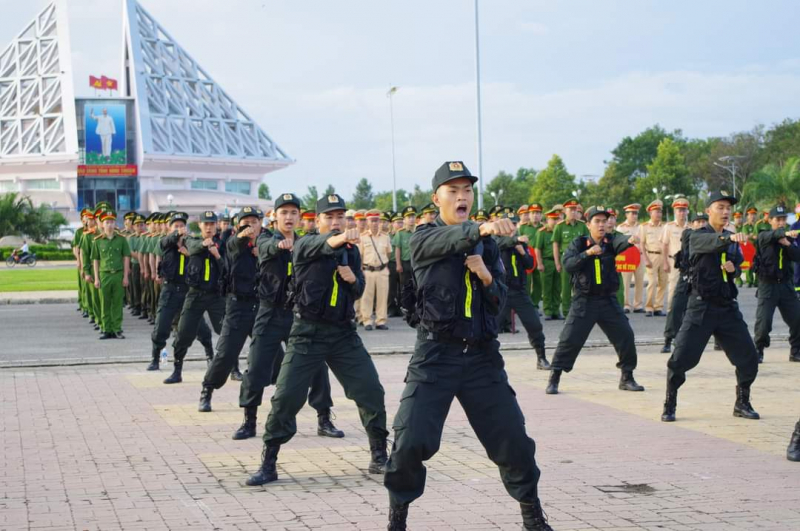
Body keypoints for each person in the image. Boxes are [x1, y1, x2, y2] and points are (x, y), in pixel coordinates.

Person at [383, 161, 551, 531]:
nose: (462, 197)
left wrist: (487, 276)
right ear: (436, 198)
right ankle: (398, 518)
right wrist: (481, 228)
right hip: (435, 355)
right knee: (409, 442)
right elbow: (445, 241)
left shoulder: (488, 246)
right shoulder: (423, 237)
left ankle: (533, 517)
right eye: (453, 191)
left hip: (481, 358)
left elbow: (500, 298)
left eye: (468, 191)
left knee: (514, 443)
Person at [245, 193, 389, 487]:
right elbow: (317, 246)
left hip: (343, 334)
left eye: (340, 217)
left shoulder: (352, 251)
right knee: (286, 398)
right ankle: (269, 462)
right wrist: (337, 240)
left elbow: (359, 290)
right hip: (307, 333)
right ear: (317, 220)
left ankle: (379, 455)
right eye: (329, 218)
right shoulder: (306, 244)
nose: (335, 223)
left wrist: (353, 280)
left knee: (370, 390)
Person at [234, 193, 342, 441]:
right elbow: (265, 248)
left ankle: (324, 418)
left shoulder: (307, 243)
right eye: (284, 212)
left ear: (300, 217)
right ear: (274, 216)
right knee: (257, 365)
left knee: (316, 366)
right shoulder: (265, 239)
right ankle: (249, 420)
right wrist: (279, 245)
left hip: (300, 315)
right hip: (270, 313)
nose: (289, 217)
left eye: (294, 213)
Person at [662, 191, 760, 423]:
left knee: (748, 357)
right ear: (708, 211)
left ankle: (742, 402)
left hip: (726, 306)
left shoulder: (731, 237)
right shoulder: (695, 235)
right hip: (700, 307)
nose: (725, 212)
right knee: (681, 358)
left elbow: (736, 266)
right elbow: (702, 245)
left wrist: (732, 269)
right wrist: (727, 240)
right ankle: (670, 402)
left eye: (728, 208)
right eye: (720, 207)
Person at [545, 206, 644, 395]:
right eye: (597, 221)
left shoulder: (611, 240)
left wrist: (629, 240)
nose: (602, 225)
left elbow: (621, 242)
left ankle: (627, 377)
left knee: (626, 336)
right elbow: (568, 265)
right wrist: (588, 254)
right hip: (584, 301)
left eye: (604, 221)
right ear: (588, 224)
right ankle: (554, 377)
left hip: (608, 300)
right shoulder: (579, 243)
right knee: (569, 339)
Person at [196, 207, 262, 411]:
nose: (250, 225)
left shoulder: (267, 241)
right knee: (226, 354)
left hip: (261, 306)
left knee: (273, 354)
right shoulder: (230, 242)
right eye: (245, 221)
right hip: (237, 306)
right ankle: (208, 389)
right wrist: (243, 236)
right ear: (237, 225)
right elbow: (233, 246)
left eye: (254, 221)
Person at [165, 211, 227, 385]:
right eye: (205, 224)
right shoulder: (192, 240)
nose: (208, 227)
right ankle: (177, 370)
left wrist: (217, 255)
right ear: (199, 226)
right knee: (183, 332)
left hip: (216, 296)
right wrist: (204, 245)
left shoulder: (223, 244)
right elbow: (192, 248)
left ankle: (232, 367)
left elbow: (228, 269)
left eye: (212, 224)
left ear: (216, 226)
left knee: (226, 332)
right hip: (195, 294)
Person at [147, 212, 215, 372]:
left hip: (188, 291)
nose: (179, 228)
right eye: (175, 226)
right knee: (161, 327)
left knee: (201, 328)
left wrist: (189, 252)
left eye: (181, 225)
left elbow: (199, 249)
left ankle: (210, 356)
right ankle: (155, 358)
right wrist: (176, 235)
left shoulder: (192, 242)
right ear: (170, 228)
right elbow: (164, 242)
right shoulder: (166, 242)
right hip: (170, 291)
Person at [496, 220, 550, 370]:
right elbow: (501, 243)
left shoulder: (520, 244)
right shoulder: (496, 241)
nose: (511, 229)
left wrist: (522, 251)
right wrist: (514, 240)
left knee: (534, 325)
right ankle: (483, 361)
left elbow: (529, 264)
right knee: (490, 327)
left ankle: (541, 358)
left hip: (519, 292)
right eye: (509, 225)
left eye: (514, 226)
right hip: (501, 293)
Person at [752, 205, 800, 363]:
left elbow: (797, 256)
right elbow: (773, 235)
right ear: (769, 220)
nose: (781, 222)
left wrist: (788, 243)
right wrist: (785, 233)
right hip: (768, 285)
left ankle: (795, 352)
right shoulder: (763, 235)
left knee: (797, 319)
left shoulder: (789, 238)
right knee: (763, 323)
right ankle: (758, 350)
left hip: (786, 285)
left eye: (783, 220)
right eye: (777, 219)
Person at [661, 212, 708, 354]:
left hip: (705, 279)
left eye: (703, 221)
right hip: (687, 276)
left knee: (711, 310)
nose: (700, 224)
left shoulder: (711, 235)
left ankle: (717, 341)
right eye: (697, 222)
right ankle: (669, 339)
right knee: (676, 307)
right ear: (692, 224)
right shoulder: (688, 234)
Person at [91, 211, 131, 339]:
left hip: (118, 274)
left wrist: (125, 276)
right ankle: (106, 329)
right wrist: (96, 278)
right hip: (104, 275)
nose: (109, 225)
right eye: (107, 222)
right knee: (105, 302)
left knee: (117, 303)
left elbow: (126, 258)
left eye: (112, 222)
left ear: (115, 224)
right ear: (102, 225)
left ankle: (117, 329)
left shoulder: (121, 239)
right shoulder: (97, 241)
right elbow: (95, 260)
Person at [552, 199, 588, 317]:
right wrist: (557, 262)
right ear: (565, 211)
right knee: (566, 288)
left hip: (580, 259)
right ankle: (567, 313)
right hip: (566, 260)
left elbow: (588, 241)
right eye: (570, 210)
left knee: (581, 286)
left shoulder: (582, 225)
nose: (573, 212)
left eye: (575, 209)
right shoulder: (560, 226)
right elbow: (556, 245)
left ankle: (580, 311)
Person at [358, 209, 392, 330]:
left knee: (382, 297)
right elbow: (360, 255)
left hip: (382, 270)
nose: (374, 223)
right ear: (367, 222)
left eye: (377, 220)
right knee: (366, 297)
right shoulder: (363, 237)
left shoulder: (385, 237)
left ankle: (380, 321)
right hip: (368, 270)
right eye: (372, 220)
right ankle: (367, 320)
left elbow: (388, 253)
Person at [662, 198, 690, 312]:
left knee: (688, 286)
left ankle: (685, 311)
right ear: (675, 212)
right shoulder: (669, 227)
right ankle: (671, 310)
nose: (682, 213)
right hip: (674, 262)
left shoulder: (691, 227)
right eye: (679, 210)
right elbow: (664, 245)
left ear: (687, 211)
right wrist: (665, 262)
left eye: (684, 210)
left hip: (688, 262)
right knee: (673, 287)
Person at [640, 200, 667, 316]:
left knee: (663, 283)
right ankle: (649, 307)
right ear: (650, 213)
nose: (658, 214)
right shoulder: (644, 227)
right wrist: (645, 259)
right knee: (652, 282)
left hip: (664, 257)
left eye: (660, 212)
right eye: (656, 212)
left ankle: (658, 307)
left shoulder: (665, 226)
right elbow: (641, 244)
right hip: (651, 256)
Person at [617, 204, 645, 313]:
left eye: (636, 213)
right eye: (632, 213)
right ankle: (626, 304)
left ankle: (638, 305)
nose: (634, 215)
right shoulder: (621, 227)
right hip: (626, 257)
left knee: (640, 281)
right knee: (625, 282)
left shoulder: (641, 227)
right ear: (626, 214)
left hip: (640, 256)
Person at [535, 209, 561, 320]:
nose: (555, 222)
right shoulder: (542, 232)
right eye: (552, 219)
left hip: (559, 262)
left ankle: (556, 310)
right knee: (547, 288)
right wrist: (540, 263)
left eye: (556, 219)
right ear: (547, 220)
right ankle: (548, 310)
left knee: (557, 288)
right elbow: (538, 249)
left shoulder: (559, 230)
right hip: (547, 262)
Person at [393, 206, 416, 313]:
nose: (411, 219)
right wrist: (398, 264)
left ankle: (416, 307)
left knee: (417, 286)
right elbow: (398, 249)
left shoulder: (419, 230)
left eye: (413, 216)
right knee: (405, 287)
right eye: (408, 217)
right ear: (404, 219)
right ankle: (406, 308)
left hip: (416, 263)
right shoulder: (400, 233)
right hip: (405, 263)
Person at [741, 207, 759, 288]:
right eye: (751, 214)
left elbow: (758, 236)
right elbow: (745, 236)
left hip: (758, 247)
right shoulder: (745, 226)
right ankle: (749, 281)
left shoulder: (758, 225)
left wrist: (751, 236)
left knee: (759, 264)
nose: (752, 216)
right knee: (748, 265)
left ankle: (757, 281)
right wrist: (752, 236)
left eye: (754, 214)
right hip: (749, 248)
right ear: (747, 216)